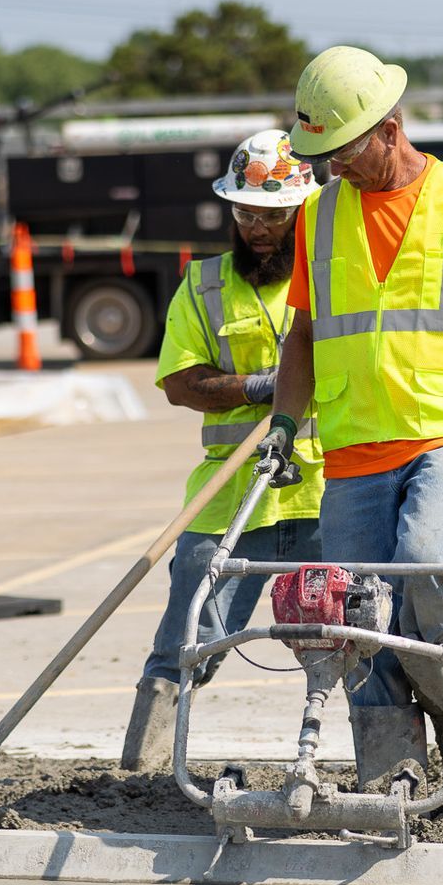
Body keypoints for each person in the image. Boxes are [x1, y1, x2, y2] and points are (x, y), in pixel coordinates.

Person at [260, 45, 443, 813]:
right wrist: (284, 424)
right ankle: (390, 774)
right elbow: (302, 334)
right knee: (356, 615)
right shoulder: (320, 215)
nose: (331, 170)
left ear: (390, 129)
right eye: (320, 155)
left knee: (426, 566)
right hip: (354, 446)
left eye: (342, 152)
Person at [119, 128, 325, 771]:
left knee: (357, 641)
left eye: (270, 216)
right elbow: (181, 383)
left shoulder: (336, 279)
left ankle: (388, 763)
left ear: (303, 212)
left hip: (326, 495)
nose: (256, 228)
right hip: (229, 496)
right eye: (244, 213)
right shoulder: (205, 285)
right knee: (186, 639)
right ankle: (143, 770)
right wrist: (260, 387)